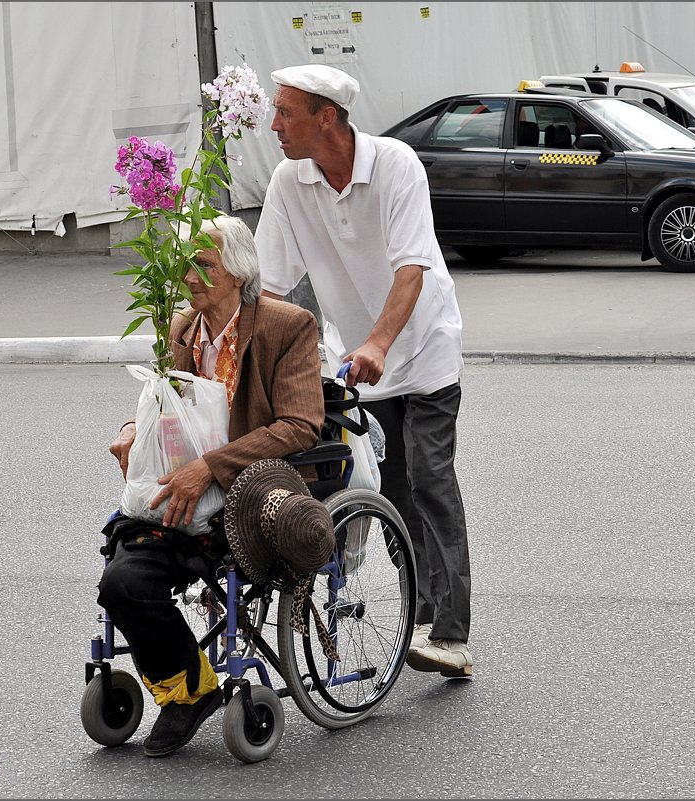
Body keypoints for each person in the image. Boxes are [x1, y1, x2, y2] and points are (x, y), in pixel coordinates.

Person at [254, 64, 473, 678]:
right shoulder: (289, 180)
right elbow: (270, 287)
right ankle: (421, 614)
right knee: (392, 493)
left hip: (424, 351)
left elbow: (412, 269)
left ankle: (452, 635)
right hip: (359, 364)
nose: (274, 125)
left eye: (285, 112)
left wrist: (378, 342)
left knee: (431, 479)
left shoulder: (397, 165)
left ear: (327, 116)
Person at [99, 214, 325, 757]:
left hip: (250, 498)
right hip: (186, 498)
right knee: (122, 582)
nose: (190, 277)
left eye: (203, 265)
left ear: (239, 273)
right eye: (185, 265)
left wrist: (213, 466)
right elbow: (164, 405)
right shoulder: (179, 328)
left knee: (143, 569)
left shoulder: (285, 325)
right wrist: (134, 428)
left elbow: (300, 425)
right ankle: (192, 690)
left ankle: (184, 695)